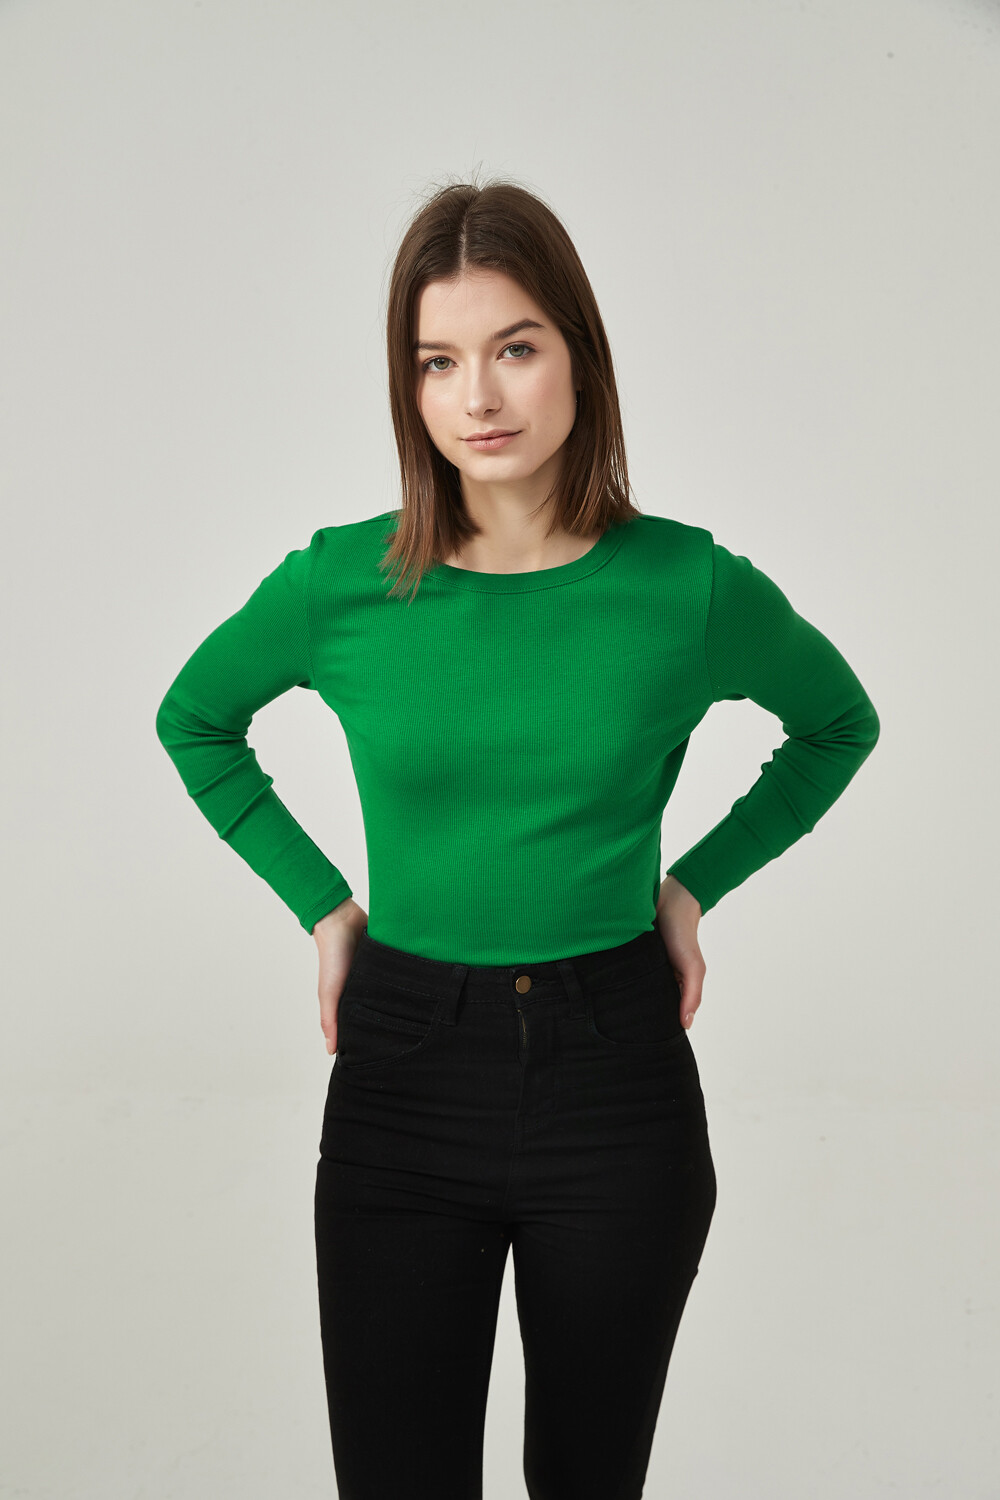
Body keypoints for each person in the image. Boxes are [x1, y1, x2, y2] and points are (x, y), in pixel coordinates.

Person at [154, 176, 880, 1500]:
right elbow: (195, 719)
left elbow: (838, 723)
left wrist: (691, 887)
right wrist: (324, 905)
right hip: (401, 1077)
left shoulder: (687, 586)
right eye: (437, 361)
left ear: (579, 358)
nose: (477, 396)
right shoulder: (342, 582)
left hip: (616, 1081)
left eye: (515, 348)